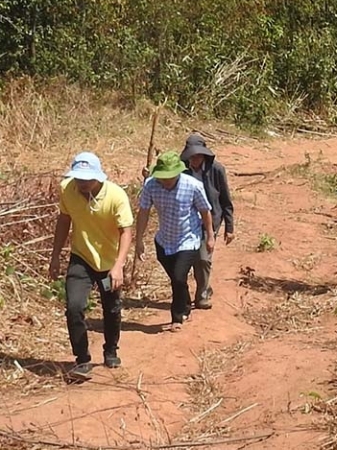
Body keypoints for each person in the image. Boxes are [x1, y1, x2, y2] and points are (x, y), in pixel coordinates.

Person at [48, 152, 134, 376]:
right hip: (81, 258)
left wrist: (118, 265)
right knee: (74, 307)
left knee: (112, 308)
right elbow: (64, 220)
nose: (82, 183)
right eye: (78, 178)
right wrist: (55, 255)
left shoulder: (116, 196)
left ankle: (111, 350)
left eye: (87, 178)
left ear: (98, 176)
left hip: (108, 262)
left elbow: (126, 231)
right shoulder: (68, 189)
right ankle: (82, 359)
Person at [134, 150, 213, 328]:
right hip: (164, 241)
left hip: (188, 239)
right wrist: (139, 240)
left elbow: (205, 211)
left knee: (178, 277)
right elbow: (144, 212)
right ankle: (185, 305)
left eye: (170, 177)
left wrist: (210, 236)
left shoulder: (193, 185)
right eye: (163, 177)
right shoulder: (151, 185)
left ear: (178, 173)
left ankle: (177, 318)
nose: (166, 181)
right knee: (177, 279)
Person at [180, 132, 235, 309]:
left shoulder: (217, 170)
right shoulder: (182, 169)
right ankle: (189, 294)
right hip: (187, 221)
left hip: (210, 220)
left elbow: (225, 199)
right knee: (188, 259)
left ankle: (202, 294)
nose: (194, 159)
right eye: (191, 156)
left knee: (203, 258)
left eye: (197, 155)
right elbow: (163, 179)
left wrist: (229, 227)